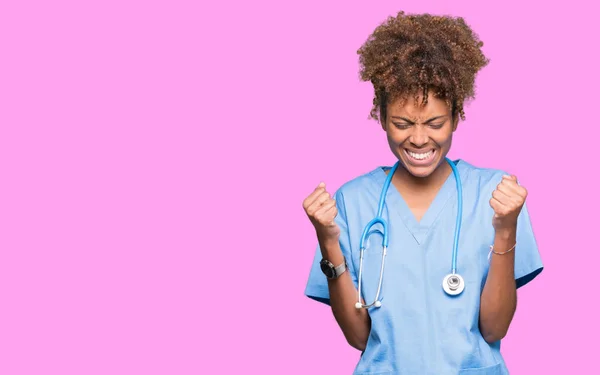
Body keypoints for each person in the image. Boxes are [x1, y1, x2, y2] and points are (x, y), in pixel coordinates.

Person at [302, 11, 543, 375]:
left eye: (435, 123)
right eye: (401, 123)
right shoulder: (352, 202)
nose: (418, 139)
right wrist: (327, 242)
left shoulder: (495, 194)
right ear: (381, 118)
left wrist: (506, 229)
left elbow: (495, 328)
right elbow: (359, 337)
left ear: (457, 117)